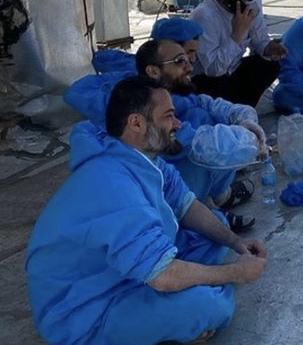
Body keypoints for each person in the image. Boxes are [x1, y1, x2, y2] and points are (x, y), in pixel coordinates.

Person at [26, 76, 267, 345]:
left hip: (125, 274)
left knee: (216, 227)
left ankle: (189, 292)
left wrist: (237, 243)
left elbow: (186, 205)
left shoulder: (144, 158)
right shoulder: (110, 181)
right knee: (208, 309)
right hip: (83, 312)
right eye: (168, 117)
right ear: (136, 123)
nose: (177, 125)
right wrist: (237, 273)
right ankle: (189, 304)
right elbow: (162, 276)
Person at [64, 19, 266, 233]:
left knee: (202, 123)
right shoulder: (137, 108)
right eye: (181, 59)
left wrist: (246, 123)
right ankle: (196, 214)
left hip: (146, 193)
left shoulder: (168, 94)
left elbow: (208, 105)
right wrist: (251, 143)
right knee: (198, 144)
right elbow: (205, 144)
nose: (190, 65)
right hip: (137, 211)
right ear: (153, 71)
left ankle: (208, 204)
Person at [189, 0, 288, 107]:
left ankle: (245, 109)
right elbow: (213, 69)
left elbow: (259, 41)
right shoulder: (205, 16)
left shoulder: (249, 7)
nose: (251, 1)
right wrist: (237, 35)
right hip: (205, 78)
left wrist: (268, 48)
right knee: (218, 85)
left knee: (269, 65)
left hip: (232, 68)